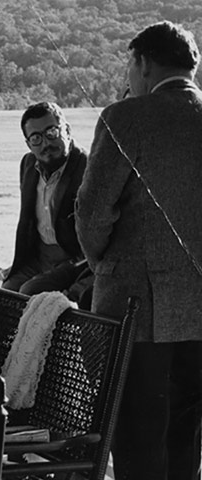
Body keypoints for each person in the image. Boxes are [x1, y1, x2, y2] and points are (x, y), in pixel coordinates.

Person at [75, 21, 202, 480]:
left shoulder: (124, 117)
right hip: (198, 315)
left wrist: (100, 263)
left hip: (135, 310)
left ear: (143, 63)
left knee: (136, 438)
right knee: (186, 438)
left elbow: (91, 213)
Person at [2, 102, 89, 298]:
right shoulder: (28, 164)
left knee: (28, 292)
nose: (45, 144)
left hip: (75, 260)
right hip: (38, 257)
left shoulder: (88, 168)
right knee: (3, 295)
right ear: (28, 144)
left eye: (51, 132)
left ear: (66, 130)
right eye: (36, 138)